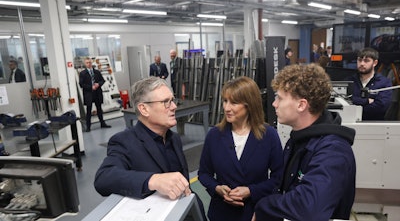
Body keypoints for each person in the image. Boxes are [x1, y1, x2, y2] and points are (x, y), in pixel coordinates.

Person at [251, 64, 356, 221]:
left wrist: (264, 207)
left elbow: (310, 208)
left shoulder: (333, 150)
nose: (274, 104)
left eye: (279, 98)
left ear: (301, 105)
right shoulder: (298, 139)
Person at [94, 76, 206, 219]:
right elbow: (103, 178)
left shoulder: (174, 139)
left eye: (172, 100)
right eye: (166, 102)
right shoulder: (125, 142)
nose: (174, 106)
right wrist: (153, 180)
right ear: (144, 109)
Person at [198, 76, 284, 221]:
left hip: (255, 212)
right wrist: (217, 188)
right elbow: (204, 173)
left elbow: (278, 178)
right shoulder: (214, 135)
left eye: (234, 102)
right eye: (225, 101)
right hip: (222, 213)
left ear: (249, 105)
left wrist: (251, 191)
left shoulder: (269, 135)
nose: (226, 108)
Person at [348, 47, 392, 120]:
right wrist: (367, 101)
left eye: (366, 61)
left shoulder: (384, 82)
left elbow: (381, 107)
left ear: (375, 63)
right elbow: (345, 101)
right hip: (351, 123)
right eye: (359, 60)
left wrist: (356, 107)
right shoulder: (349, 81)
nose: (362, 63)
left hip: (374, 124)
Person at [79, 57, 111, 132]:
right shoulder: (82, 73)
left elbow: (102, 80)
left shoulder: (97, 72)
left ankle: (102, 123)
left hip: (97, 93)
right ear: (85, 64)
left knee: (99, 109)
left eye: (90, 62)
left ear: (92, 63)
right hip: (89, 94)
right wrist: (91, 87)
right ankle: (88, 127)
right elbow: (81, 84)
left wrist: (98, 84)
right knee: (89, 110)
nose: (89, 64)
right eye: (87, 63)